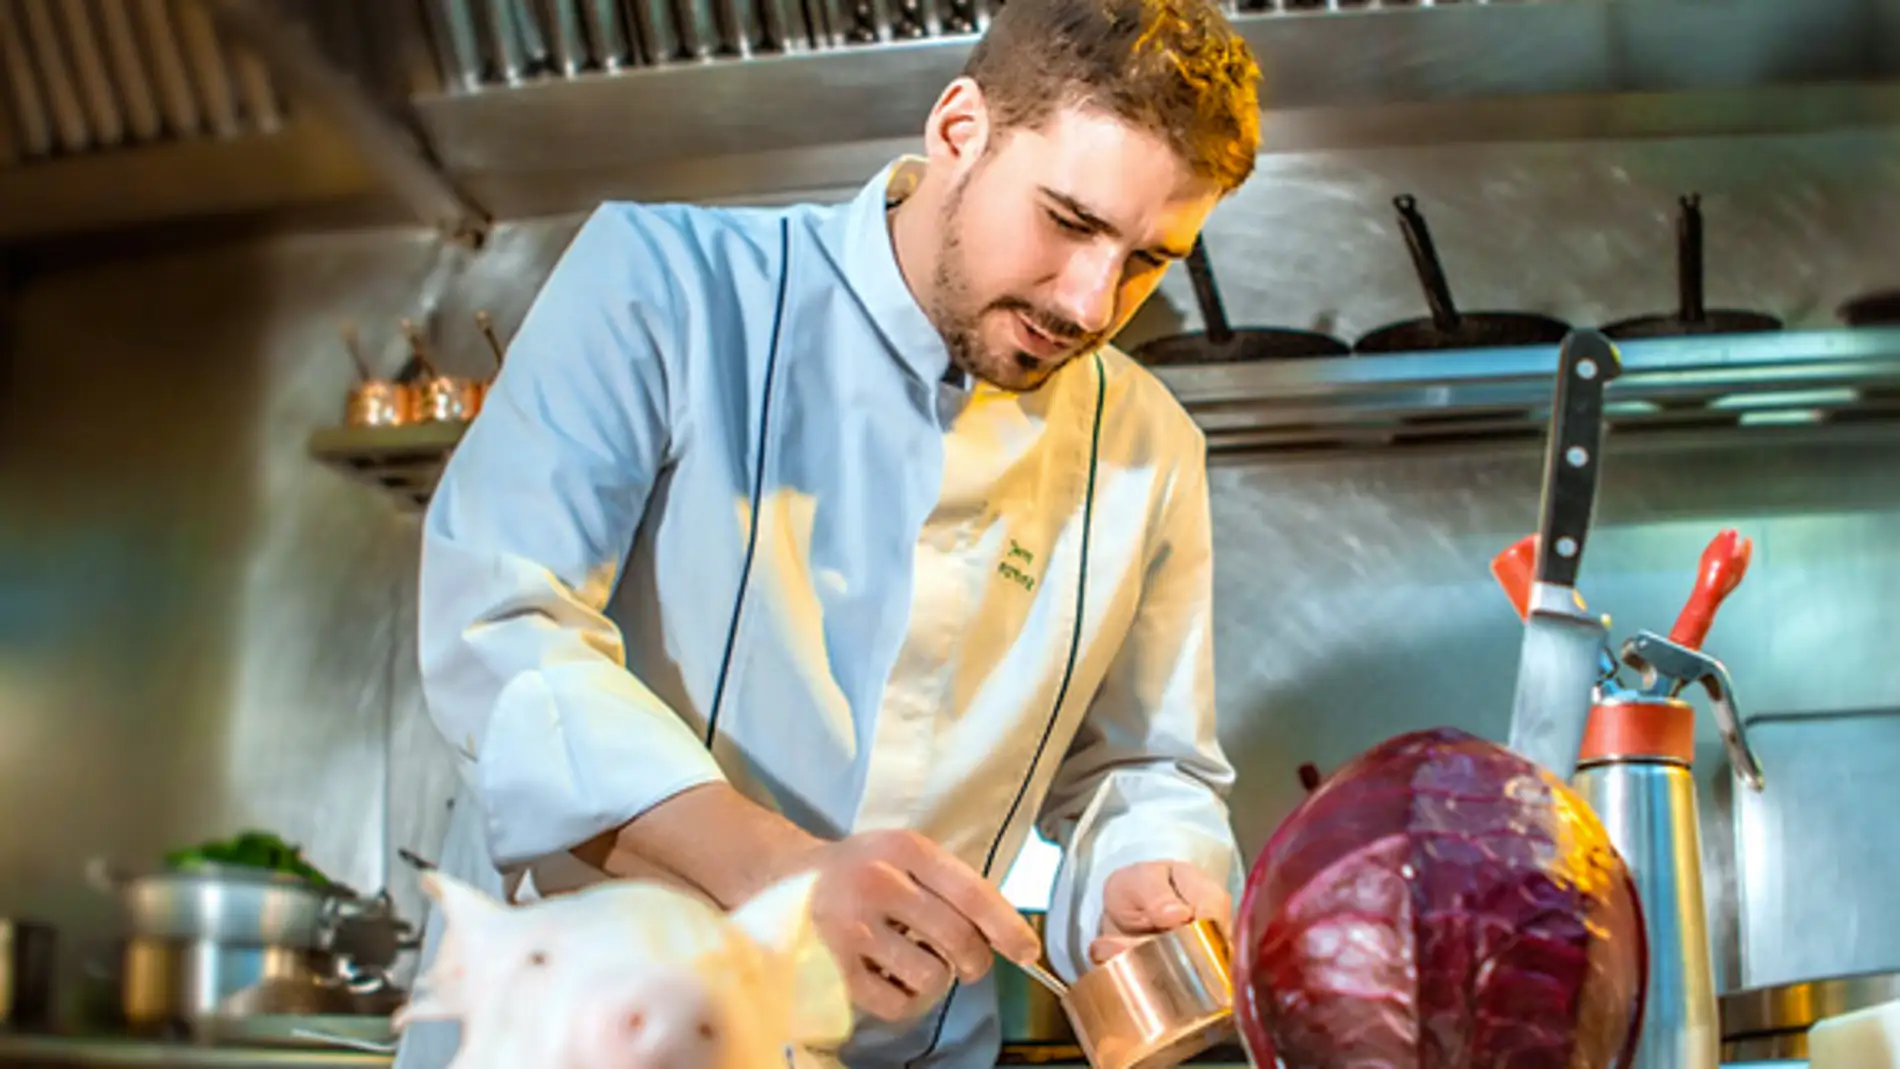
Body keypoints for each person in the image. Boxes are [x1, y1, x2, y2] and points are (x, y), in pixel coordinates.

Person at [396, 0, 1262, 1066]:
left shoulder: (1150, 444)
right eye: (1069, 222)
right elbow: (502, 623)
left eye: (1147, 260)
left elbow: (1147, 765)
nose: (1090, 302)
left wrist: (1145, 869)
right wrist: (780, 872)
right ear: (958, 130)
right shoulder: (666, 284)